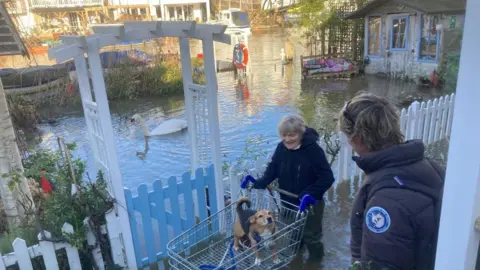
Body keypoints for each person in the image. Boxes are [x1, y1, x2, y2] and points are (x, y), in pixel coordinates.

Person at [338, 93, 445, 270]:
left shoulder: (385, 200)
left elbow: (380, 264)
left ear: (357, 138)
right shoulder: (431, 167)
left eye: (348, 137)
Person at [251, 115, 335, 261]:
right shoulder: (281, 148)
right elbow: (274, 168)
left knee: (312, 237)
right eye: (284, 135)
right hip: (288, 201)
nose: (287, 139)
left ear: (300, 134)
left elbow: (327, 178)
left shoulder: (313, 150)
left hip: (310, 204)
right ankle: (296, 259)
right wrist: (263, 181)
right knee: (294, 233)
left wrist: (310, 193)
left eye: (292, 135)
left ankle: (316, 263)